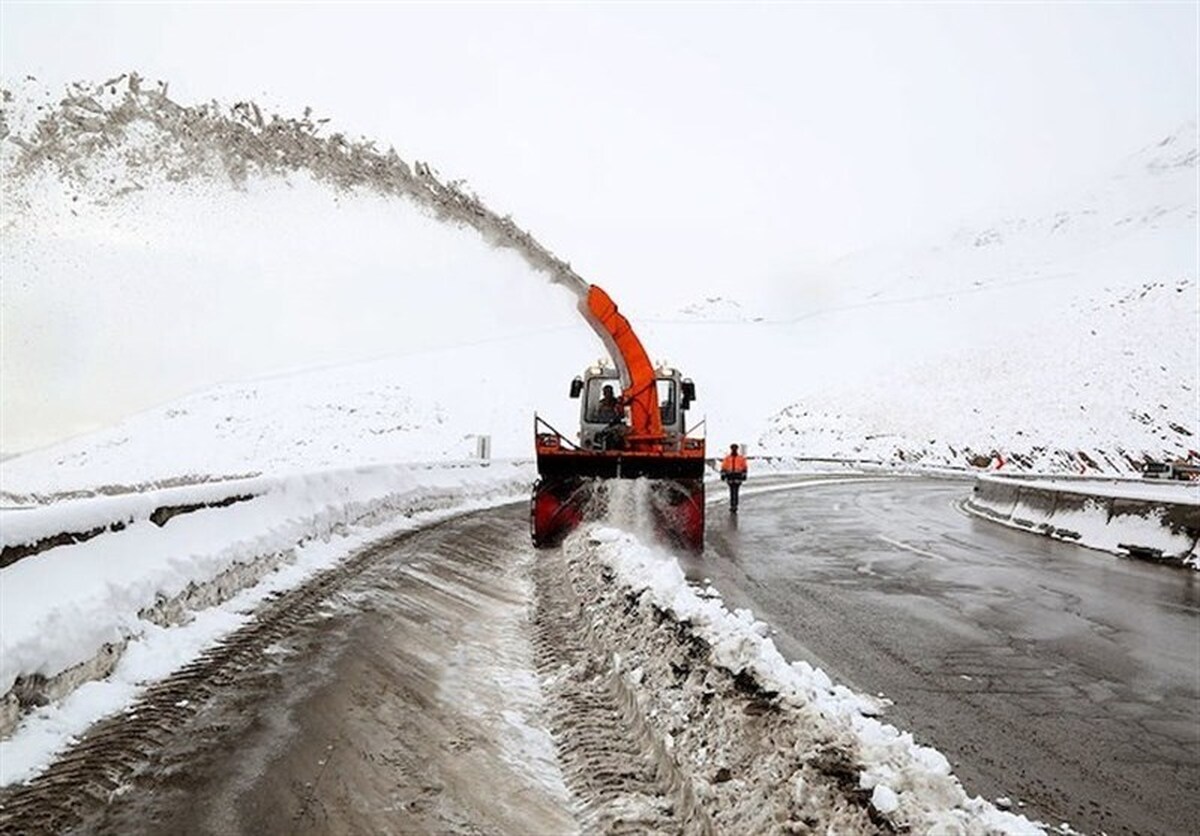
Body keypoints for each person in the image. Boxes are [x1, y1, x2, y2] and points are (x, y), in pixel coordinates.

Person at [720, 443, 748, 512]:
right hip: (730, 477)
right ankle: (733, 505)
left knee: (735, 492)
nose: (734, 450)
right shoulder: (727, 458)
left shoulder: (741, 458)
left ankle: (734, 505)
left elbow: (744, 467)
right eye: (733, 448)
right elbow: (724, 467)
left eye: (735, 448)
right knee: (732, 492)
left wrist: (744, 475)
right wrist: (723, 474)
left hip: (737, 477)